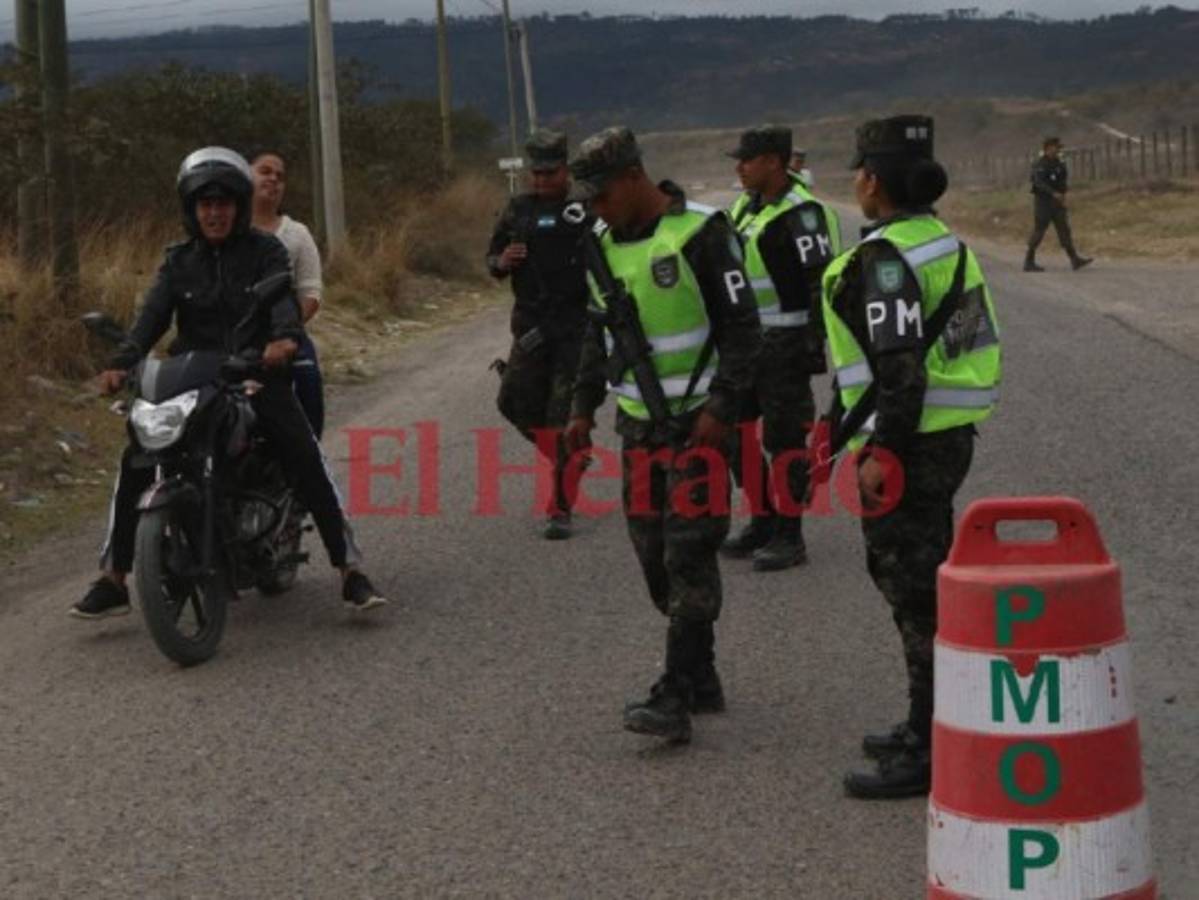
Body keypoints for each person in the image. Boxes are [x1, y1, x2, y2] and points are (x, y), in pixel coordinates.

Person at [71, 147, 386, 620]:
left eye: (223, 203)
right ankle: (114, 578)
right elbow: (149, 322)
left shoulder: (266, 251)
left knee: (302, 453)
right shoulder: (178, 261)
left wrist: (282, 340)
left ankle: (350, 570)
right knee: (137, 455)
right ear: (191, 210)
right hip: (191, 377)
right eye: (204, 204)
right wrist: (120, 363)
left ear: (238, 207)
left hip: (254, 374)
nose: (214, 213)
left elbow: (283, 304)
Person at [820, 117, 1001, 797]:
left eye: (859, 171)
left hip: (911, 441)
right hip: (944, 436)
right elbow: (947, 342)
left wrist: (881, 452)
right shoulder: (944, 246)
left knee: (914, 596)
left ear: (872, 180)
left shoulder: (887, 259)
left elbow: (899, 370)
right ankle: (929, 722)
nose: (855, 182)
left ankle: (930, 747)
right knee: (924, 584)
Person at [564, 127, 761, 743]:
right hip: (640, 427)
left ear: (632, 177)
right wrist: (580, 409)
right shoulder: (600, 244)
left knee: (688, 553)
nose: (596, 208)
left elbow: (743, 329)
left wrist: (723, 408)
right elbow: (600, 338)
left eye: (601, 195)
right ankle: (700, 673)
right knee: (653, 555)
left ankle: (673, 694)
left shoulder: (702, 233)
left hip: (699, 424)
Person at [722, 125, 841, 572]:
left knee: (784, 439)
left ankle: (790, 536)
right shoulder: (745, 205)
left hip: (786, 343)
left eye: (746, 160)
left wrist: (812, 347)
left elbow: (821, 286)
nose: (739, 167)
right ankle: (762, 517)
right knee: (734, 431)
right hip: (746, 341)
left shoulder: (803, 214)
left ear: (773, 161)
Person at [487, 129, 593, 540]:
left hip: (574, 328)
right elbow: (491, 259)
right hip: (531, 325)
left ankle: (560, 506)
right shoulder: (518, 209)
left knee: (561, 416)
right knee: (513, 402)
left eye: (551, 173)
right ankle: (570, 459)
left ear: (565, 170)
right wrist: (503, 260)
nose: (543, 180)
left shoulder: (584, 208)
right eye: (537, 173)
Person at [250, 151, 327, 438]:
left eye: (280, 176)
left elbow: (311, 292)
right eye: (265, 171)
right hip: (232, 335)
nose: (273, 180)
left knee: (306, 378)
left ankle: (310, 457)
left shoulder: (297, 234)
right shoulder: (226, 230)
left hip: (286, 334)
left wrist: (288, 330)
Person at [1024, 136, 1092, 272]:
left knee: (1064, 230)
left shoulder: (1059, 163)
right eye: (1056, 147)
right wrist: (1052, 193)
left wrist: (1063, 194)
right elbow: (1038, 182)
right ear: (1048, 148)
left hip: (1057, 203)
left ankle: (1074, 259)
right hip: (1043, 203)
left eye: (1059, 147)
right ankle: (1029, 261)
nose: (1058, 150)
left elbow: (1062, 180)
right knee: (1039, 231)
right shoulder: (1040, 164)